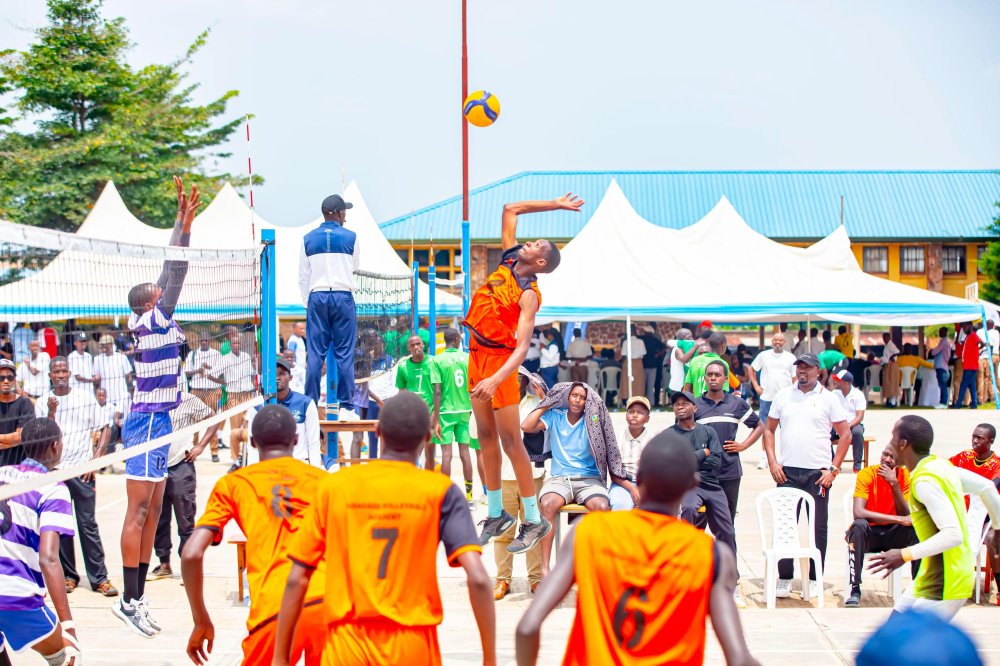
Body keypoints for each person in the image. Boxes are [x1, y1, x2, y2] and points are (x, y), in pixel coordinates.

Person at [273, 391, 496, 666]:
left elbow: (297, 578)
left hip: (346, 644)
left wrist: (281, 657)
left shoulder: (335, 486)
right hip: (412, 644)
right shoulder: (440, 491)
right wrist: (489, 658)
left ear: (377, 431)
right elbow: (478, 578)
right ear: (428, 437)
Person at [514, 431, 760, 666]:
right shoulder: (712, 556)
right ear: (691, 485)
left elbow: (527, 627)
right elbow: (738, 658)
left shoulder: (588, 532)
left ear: (639, 478)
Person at [461, 193, 584, 552]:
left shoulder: (529, 294)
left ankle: (533, 519)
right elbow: (510, 209)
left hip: (500, 363)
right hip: (476, 355)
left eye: (536, 244)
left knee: (512, 442)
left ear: (541, 260)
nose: (527, 241)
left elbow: (520, 348)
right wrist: (557, 205)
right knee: (485, 437)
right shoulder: (509, 257)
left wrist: (497, 379)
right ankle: (497, 512)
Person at [115, 176, 200, 637]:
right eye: (159, 290)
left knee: (152, 512)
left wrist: (180, 220)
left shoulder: (157, 317)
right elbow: (177, 271)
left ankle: (136, 598)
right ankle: (128, 600)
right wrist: (184, 228)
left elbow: (171, 268)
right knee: (139, 511)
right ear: (151, 302)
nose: (165, 290)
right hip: (146, 421)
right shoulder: (153, 316)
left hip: (161, 420)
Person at [182, 405, 327, 665]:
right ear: (296, 440)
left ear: (251, 441)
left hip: (276, 608)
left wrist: (200, 618)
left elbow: (191, 553)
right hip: (328, 603)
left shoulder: (234, 484)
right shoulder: (324, 481)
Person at [868, 415, 1000, 620]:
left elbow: (953, 534)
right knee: (892, 629)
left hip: (948, 580)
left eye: (893, 437)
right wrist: (998, 530)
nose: (890, 442)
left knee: (910, 646)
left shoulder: (925, 481)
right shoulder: (941, 466)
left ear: (903, 444)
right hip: (931, 573)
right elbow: (987, 487)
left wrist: (903, 554)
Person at [763, 352, 852, 600]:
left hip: (817, 473)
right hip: (787, 472)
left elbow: (845, 435)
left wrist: (833, 469)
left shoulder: (829, 399)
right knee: (785, 527)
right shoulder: (784, 395)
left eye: (807, 367)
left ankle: (814, 578)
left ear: (817, 371)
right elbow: (768, 430)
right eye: (799, 367)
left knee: (817, 529)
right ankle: (784, 577)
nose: (802, 371)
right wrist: (772, 462)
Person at [0, 418, 81, 666]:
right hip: (15, 595)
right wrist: (68, 626)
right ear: (55, 446)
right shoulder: (53, 488)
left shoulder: (1, 473)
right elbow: (49, 558)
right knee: (66, 657)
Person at [522, 382, 625, 575]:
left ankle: (596, 563)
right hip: (560, 478)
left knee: (602, 507)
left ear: (588, 401)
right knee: (548, 504)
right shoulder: (555, 416)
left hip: (589, 479)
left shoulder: (592, 420)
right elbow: (526, 426)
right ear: (567, 397)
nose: (578, 400)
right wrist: (547, 402)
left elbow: (608, 445)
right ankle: (545, 567)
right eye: (574, 395)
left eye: (583, 397)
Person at [35, 357, 117, 598]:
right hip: (56, 472)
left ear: (69, 373)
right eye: (56, 371)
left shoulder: (84, 397)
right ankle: (69, 576)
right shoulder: (42, 402)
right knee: (60, 527)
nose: (60, 374)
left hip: (83, 471)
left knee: (88, 525)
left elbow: (105, 427)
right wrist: (51, 411)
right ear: (50, 375)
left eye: (64, 371)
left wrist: (96, 459)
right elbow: (44, 435)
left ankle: (99, 578)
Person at [696, 361, 763, 608]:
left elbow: (759, 426)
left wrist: (743, 445)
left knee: (726, 529)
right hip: (701, 477)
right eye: (709, 375)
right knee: (696, 527)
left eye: (718, 375)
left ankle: (729, 584)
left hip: (729, 474)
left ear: (726, 379)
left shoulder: (737, 404)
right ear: (705, 379)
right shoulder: (695, 405)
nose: (713, 378)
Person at [146, 393, 222, 583]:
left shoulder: (187, 399)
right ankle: (164, 564)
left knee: (186, 519)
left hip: (182, 465)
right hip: (157, 465)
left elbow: (213, 418)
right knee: (158, 518)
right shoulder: (152, 397)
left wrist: (200, 447)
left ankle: (188, 568)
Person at [299, 194, 360, 418]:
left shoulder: (307, 238)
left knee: (315, 354)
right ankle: (347, 406)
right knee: (345, 354)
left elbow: (303, 276)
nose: (346, 216)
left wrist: (309, 304)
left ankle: (310, 406)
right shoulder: (351, 237)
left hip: (317, 295)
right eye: (345, 211)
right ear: (339, 213)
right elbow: (354, 265)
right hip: (343, 296)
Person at [670, 390, 738, 571]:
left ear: (695, 407)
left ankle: (730, 576)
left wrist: (690, 459)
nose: (680, 407)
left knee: (727, 530)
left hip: (712, 486)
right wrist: (702, 453)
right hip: (687, 485)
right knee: (689, 511)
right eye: (677, 404)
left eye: (684, 404)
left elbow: (716, 461)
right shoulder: (670, 434)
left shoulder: (708, 431)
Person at [496, 372, 549, 600]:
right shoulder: (494, 403)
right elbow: (477, 434)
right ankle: (502, 579)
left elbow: (553, 421)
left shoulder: (536, 404)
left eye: (519, 378)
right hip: (503, 477)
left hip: (532, 475)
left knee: (533, 529)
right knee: (503, 532)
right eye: (511, 378)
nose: (514, 381)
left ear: (526, 382)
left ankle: (535, 579)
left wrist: (545, 398)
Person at [844, 445, 918, 607]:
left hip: (894, 535)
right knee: (858, 525)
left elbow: (906, 513)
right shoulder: (867, 474)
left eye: (892, 457)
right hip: (871, 534)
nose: (887, 459)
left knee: (916, 529)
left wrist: (894, 484)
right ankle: (855, 589)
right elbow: (859, 512)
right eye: (885, 454)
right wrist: (898, 519)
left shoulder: (905, 476)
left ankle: (918, 587)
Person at [948, 423, 1000, 597]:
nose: (975, 441)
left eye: (980, 438)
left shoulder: (996, 464)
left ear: (990, 441)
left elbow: (992, 486)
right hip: (961, 511)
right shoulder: (964, 457)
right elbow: (943, 469)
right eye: (974, 436)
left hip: (987, 514)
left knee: (993, 539)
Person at [243, 359, 324, 468]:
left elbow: (314, 443)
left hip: (299, 464)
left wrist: (315, 471)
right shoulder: (258, 406)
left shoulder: (306, 403)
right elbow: (252, 447)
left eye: (281, 374)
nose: (277, 377)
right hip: (268, 467)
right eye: (274, 374)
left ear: (290, 377)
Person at [430, 328, 480, 501]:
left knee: (446, 455)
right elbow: (473, 386)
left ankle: (445, 496)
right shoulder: (467, 359)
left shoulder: (437, 360)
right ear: (458, 340)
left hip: (445, 411)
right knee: (465, 453)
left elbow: (437, 391)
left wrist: (435, 418)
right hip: (465, 410)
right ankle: (469, 497)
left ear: (445, 341)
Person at [208, 336, 257, 469]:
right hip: (233, 395)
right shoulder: (225, 359)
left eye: (239, 342)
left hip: (247, 394)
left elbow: (252, 374)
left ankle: (247, 455)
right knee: (235, 428)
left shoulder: (246, 356)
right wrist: (224, 383)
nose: (237, 345)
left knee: (248, 425)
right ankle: (235, 459)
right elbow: (211, 374)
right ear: (230, 345)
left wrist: (254, 387)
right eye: (234, 343)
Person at [394, 334, 438, 466]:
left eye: (418, 344)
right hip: (412, 414)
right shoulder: (403, 367)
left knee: (430, 454)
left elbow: (438, 390)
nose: (416, 347)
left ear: (423, 345)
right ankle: (413, 478)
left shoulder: (433, 363)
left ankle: (427, 484)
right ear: (409, 348)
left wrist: (436, 415)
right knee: (414, 450)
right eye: (412, 345)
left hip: (430, 412)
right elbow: (401, 393)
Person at [609, 395, 653, 511]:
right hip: (622, 483)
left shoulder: (653, 440)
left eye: (640, 412)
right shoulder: (617, 438)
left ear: (647, 418)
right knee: (620, 506)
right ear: (626, 415)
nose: (634, 415)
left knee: (654, 509)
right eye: (631, 412)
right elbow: (613, 472)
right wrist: (632, 488)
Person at [830, 369, 867, 473]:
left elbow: (859, 416)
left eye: (838, 380)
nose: (835, 382)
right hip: (836, 424)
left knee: (858, 433)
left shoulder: (858, 394)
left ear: (846, 383)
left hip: (853, 424)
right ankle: (833, 462)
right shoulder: (833, 394)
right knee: (825, 433)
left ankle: (857, 466)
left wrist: (848, 426)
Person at [0, 358, 35, 466]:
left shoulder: (25, 403)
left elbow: (21, 436)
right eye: (1, 378)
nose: (6, 381)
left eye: (10, 377)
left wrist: (17, 438)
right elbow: (16, 438)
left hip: (18, 465)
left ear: (15, 380)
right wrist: (13, 440)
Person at [684, 332, 735, 397]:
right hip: (715, 405)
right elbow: (723, 391)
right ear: (723, 345)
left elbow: (688, 388)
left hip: (697, 404)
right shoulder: (723, 364)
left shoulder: (694, 361)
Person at [92, 333, 134, 415]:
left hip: (121, 397)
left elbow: (128, 377)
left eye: (105, 345)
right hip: (105, 399)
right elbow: (95, 380)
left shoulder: (121, 357)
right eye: (101, 345)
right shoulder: (97, 359)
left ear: (111, 344)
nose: (103, 347)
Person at [614, 325, 647, 405]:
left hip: (628, 362)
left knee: (627, 382)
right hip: (638, 363)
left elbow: (623, 354)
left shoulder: (625, 342)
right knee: (638, 382)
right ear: (636, 331)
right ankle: (638, 400)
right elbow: (644, 353)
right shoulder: (640, 341)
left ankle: (627, 400)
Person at [953, 322, 982, 409]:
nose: (964, 329)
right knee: (971, 385)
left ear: (970, 326)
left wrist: (977, 349)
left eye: (965, 327)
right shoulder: (968, 337)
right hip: (967, 365)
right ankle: (974, 404)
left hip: (971, 366)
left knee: (964, 384)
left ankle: (958, 404)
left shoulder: (973, 335)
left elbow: (981, 342)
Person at [667, 328, 701, 398]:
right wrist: (695, 347)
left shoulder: (688, 348)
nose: (692, 339)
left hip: (686, 384)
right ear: (683, 338)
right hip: (678, 385)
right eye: (689, 337)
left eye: (692, 336)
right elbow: (685, 359)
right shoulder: (677, 349)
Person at [637, 325, 666, 405]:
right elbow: (664, 348)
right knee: (650, 386)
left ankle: (642, 402)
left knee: (642, 386)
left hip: (643, 365)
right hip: (653, 365)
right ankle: (651, 403)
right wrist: (657, 355)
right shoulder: (655, 340)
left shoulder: (641, 339)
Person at [928, 327, 953, 409]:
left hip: (942, 366)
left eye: (941, 331)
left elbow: (935, 351)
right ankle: (942, 401)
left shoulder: (944, 342)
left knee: (943, 385)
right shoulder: (944, 341)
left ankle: (943, 402)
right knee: (941, 384)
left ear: (945, 332)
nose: (939, 333)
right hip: (941, 366)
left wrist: (931, 351)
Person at [977, 319, 999, 402]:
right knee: (990, 377)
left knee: (988, 377)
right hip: (994, 355)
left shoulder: (989, 332)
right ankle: (989, 396)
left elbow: (989, 345)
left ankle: (990, 396)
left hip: (990, 355)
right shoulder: (996, 332)